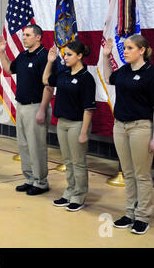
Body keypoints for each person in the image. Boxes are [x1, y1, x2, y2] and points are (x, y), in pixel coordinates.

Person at [102, 35, 154, 235]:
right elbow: (107, 78)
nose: (126, 51)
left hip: (141, 128)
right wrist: (105, 56)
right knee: (128, 174)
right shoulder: (123, 71)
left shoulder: (152, 74)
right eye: (125, 48)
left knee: (142, 175)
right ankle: (129, 213)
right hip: (120, 127)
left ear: (142, 50)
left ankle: (142, 217)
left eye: (130, 48)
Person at [0, 24, 53, 195]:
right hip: (21, 106)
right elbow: (9, 69)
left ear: (38, 37)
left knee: (36, 147)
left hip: (36, 106)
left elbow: (49, 86)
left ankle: (41, 182)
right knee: (24, 146)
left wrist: (42, 109)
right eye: (23, 35)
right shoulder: (22, 55)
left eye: (27, 35)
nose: (24, 38)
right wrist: (1, 52)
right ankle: (29, 179)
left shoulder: (44, 57)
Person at [43, 41, 96, 211]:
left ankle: (79, 195)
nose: (65, 57)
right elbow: (46, 80)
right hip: (62, 122)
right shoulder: (63, 72)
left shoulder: (86, 78)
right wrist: (50, 61)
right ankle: (70, 190)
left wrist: (83, 132)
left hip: (77, 123)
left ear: (80, 56)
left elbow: (88, 108)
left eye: (69, 54)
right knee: (67, 161)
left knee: (78, 161)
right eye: (64, 54)